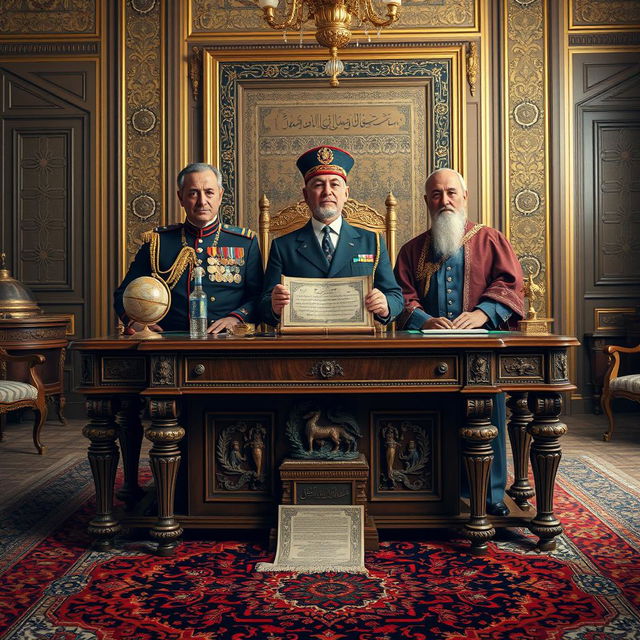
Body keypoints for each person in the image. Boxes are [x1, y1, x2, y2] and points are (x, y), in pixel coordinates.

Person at [393, 168, 525, 516]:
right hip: (428, 353)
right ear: (426, 201)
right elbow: (401, 297)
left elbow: (510, 285)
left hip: (481, 353)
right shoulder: (411, 250)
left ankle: (490, 495)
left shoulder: (491, 239)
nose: (445, 200)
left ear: (465, 197)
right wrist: (425, 321)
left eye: (451, 192)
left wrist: (482, 314)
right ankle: (430, 488)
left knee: (486, 420)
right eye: (436, 194)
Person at [260, 145, 403, 327]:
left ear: (346, 193)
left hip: (358, 344)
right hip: (302, 344)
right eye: (318, 185)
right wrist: (273, 306)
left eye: (335, 184)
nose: (327, 191)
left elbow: (396, 297)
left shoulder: (372, 242)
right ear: (306, 194)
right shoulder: (282, 246)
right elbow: (263, 304)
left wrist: (385, 306)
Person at [114, 163, 263, 334]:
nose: (202, 201)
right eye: (193, 193)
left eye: (209, 192)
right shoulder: (157, 242)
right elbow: (123, 295)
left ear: (220, 196)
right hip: (168, 339)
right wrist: (136, 323)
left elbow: (258, 297)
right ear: (181, 198)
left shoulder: (244, 242)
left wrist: (236, 318)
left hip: (225, 340)